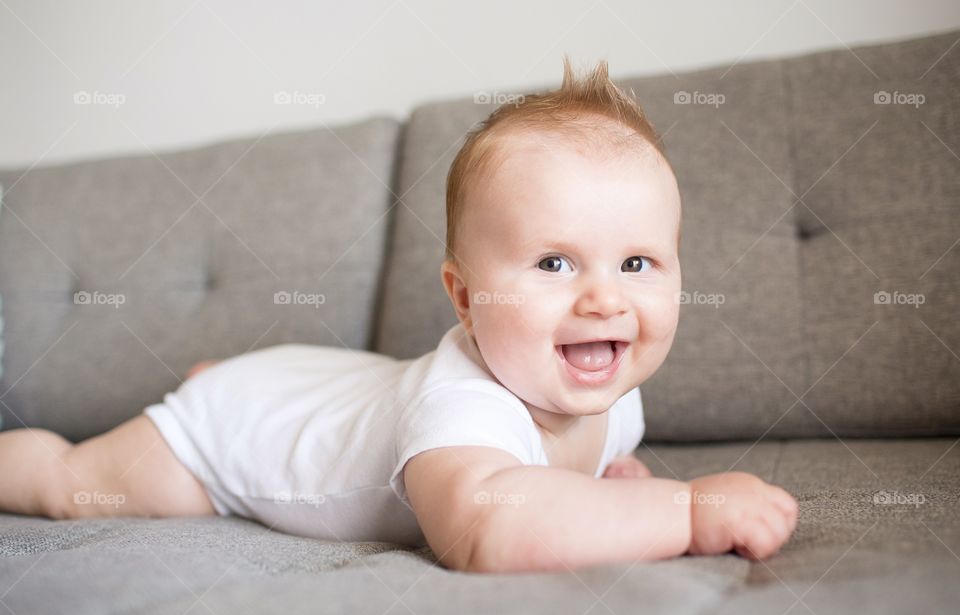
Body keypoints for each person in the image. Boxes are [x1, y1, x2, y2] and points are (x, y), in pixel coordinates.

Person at [0, 57, 797, 573]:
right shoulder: (461, 406)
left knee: (353, 393)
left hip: (326, 382)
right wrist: (683, 511)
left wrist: (606, 481)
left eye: (637, 263)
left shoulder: (614, 392)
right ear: (464, 298)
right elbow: (488, 530)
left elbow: (561, 482)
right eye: (555, 263)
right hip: (223, 432)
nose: (605, 298)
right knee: (75, 483)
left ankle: (241, 375)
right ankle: (166, 405)